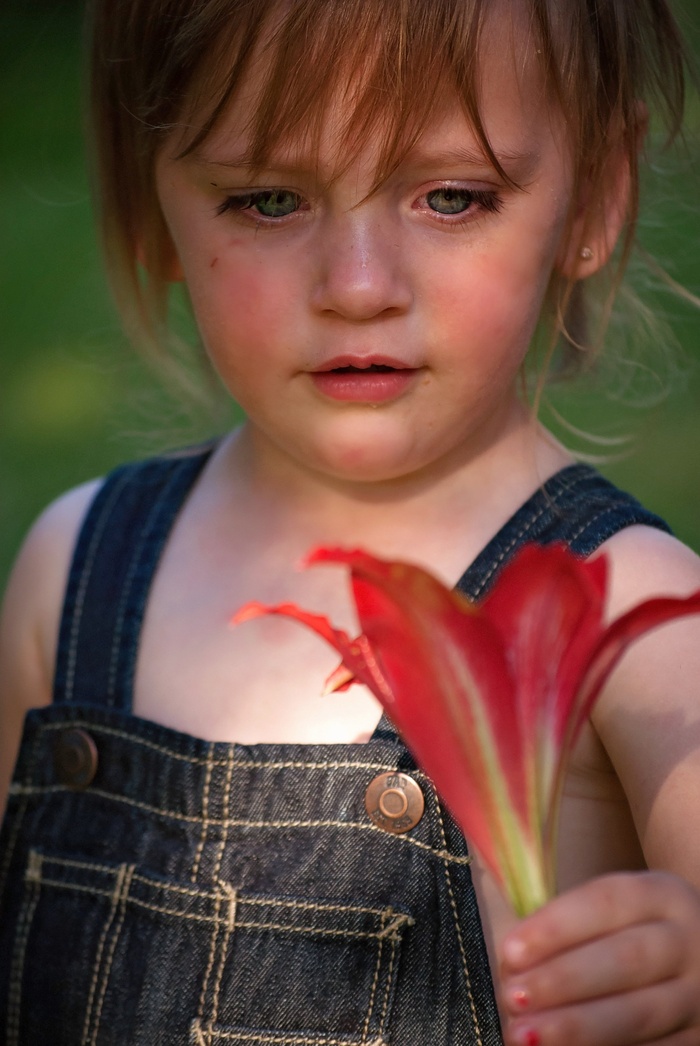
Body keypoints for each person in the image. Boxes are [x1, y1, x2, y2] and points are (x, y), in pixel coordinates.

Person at [1, 0, 699, 1042]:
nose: (359, 286)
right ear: (152, 212)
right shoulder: (73, 572)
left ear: (597, 192)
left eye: (452, 197)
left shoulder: (640, 618)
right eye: (269, 199)